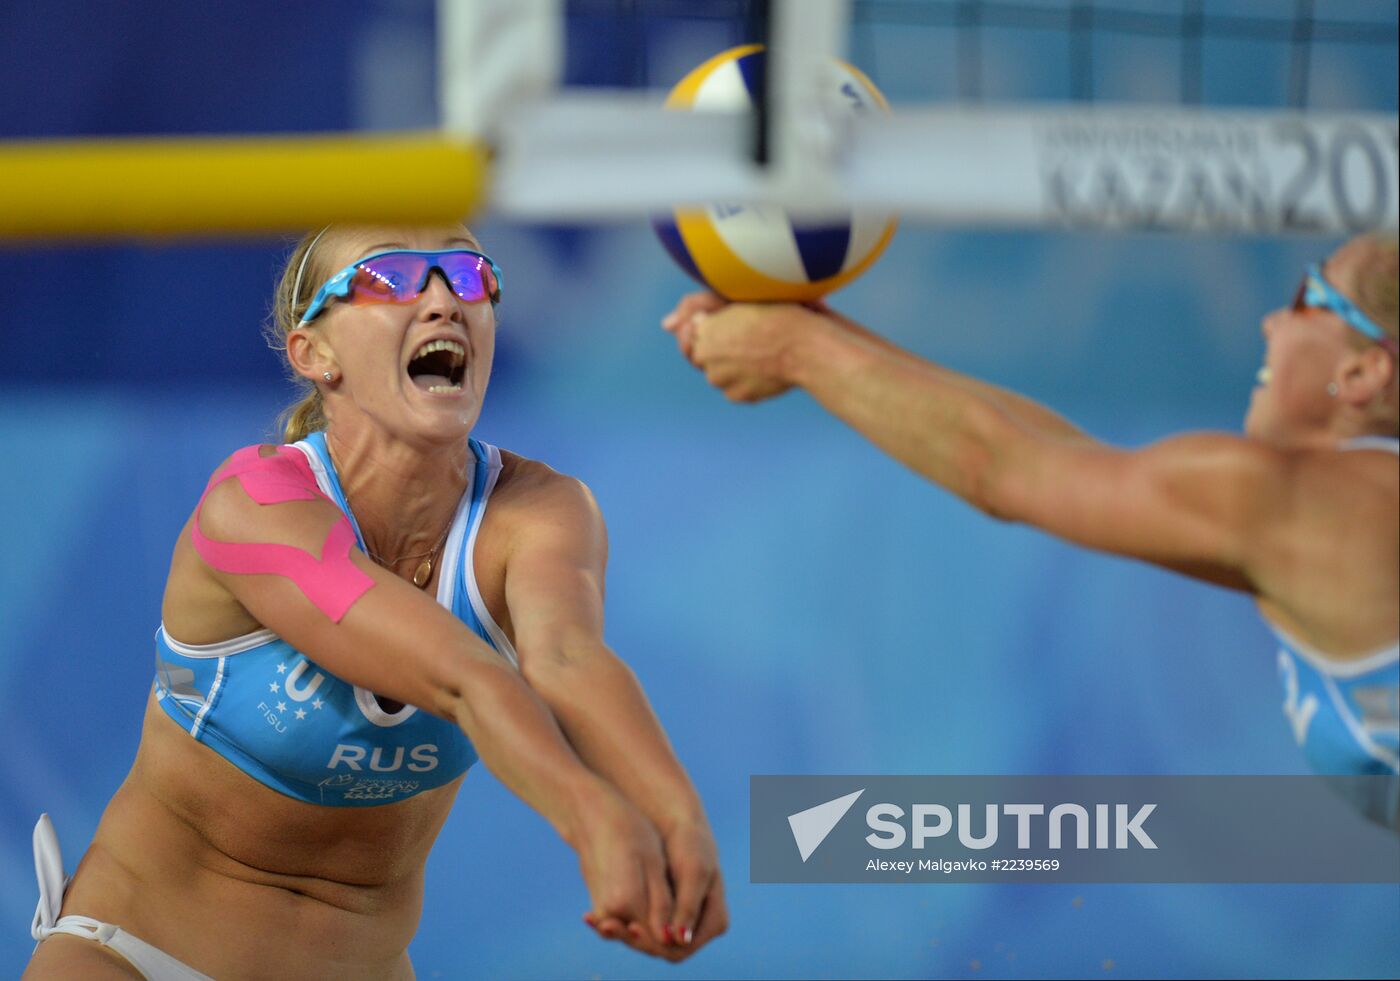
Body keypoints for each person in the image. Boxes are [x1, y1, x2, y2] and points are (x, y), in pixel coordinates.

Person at [27, 225, 726, 980]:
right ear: (313, 354)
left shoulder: (542, 510)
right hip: (135, 952)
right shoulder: (253, 502)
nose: (441, 300)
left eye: (466, 275)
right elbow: (466, 676)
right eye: (390, 279)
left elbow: (567, 659)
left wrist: (679, 820)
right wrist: (595, 821)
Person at [663, 233, 1399, 828]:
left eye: (1308, 299)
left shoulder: (1312, 507)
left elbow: (1000, 467)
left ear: (1366, 372)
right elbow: (1067, 464)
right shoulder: (1329, 512)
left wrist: (795, 349)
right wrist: (814, 333)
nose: (1273, 319)